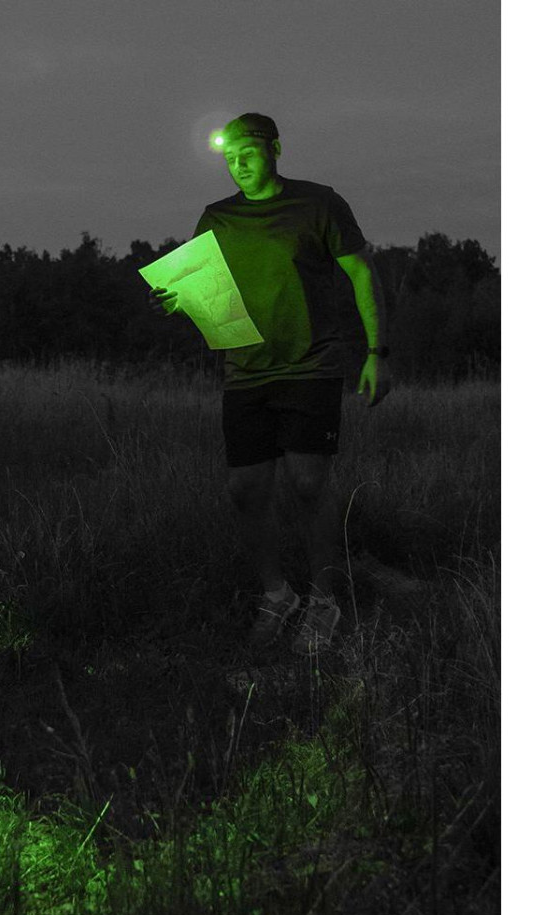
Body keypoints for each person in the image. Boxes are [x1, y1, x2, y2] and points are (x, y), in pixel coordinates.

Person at [149, 112, 391, 653]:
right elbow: (197, 285)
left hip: (310, 364)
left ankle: (324, 600)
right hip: (246, 370)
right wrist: (173, 299)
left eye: (249, 153)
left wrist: (378, 353)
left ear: (275, 149)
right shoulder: (218, 217)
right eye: (230, 158)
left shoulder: (318, 203)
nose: (238, 165)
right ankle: (277, 594)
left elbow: (361, 272)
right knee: (245, 489)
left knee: (308, 484)